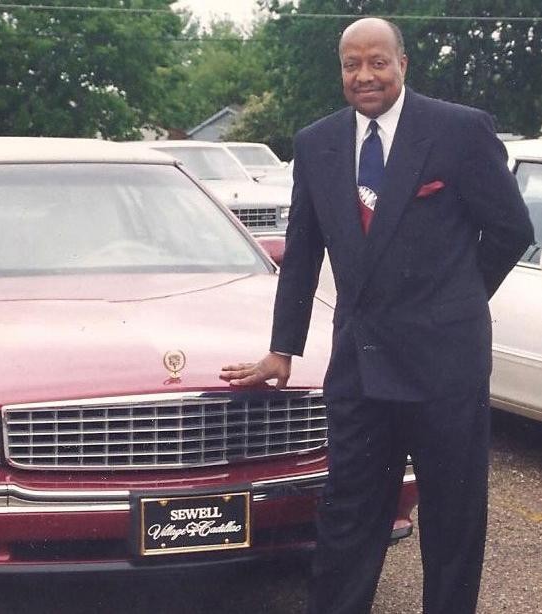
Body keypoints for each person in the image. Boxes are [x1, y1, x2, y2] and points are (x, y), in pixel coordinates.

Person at [220, 17, 533, 614]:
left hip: (446, 366)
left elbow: (511, 229)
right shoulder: (317, 143)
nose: (364, 75)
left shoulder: (458, 131)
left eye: (377, 62)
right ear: (340, 69)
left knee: (452, 522)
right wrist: (281, 350)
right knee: (348, 519)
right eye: (351, 64)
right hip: (360, 370)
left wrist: (455, 300)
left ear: (402, 64)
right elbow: (304, 250)